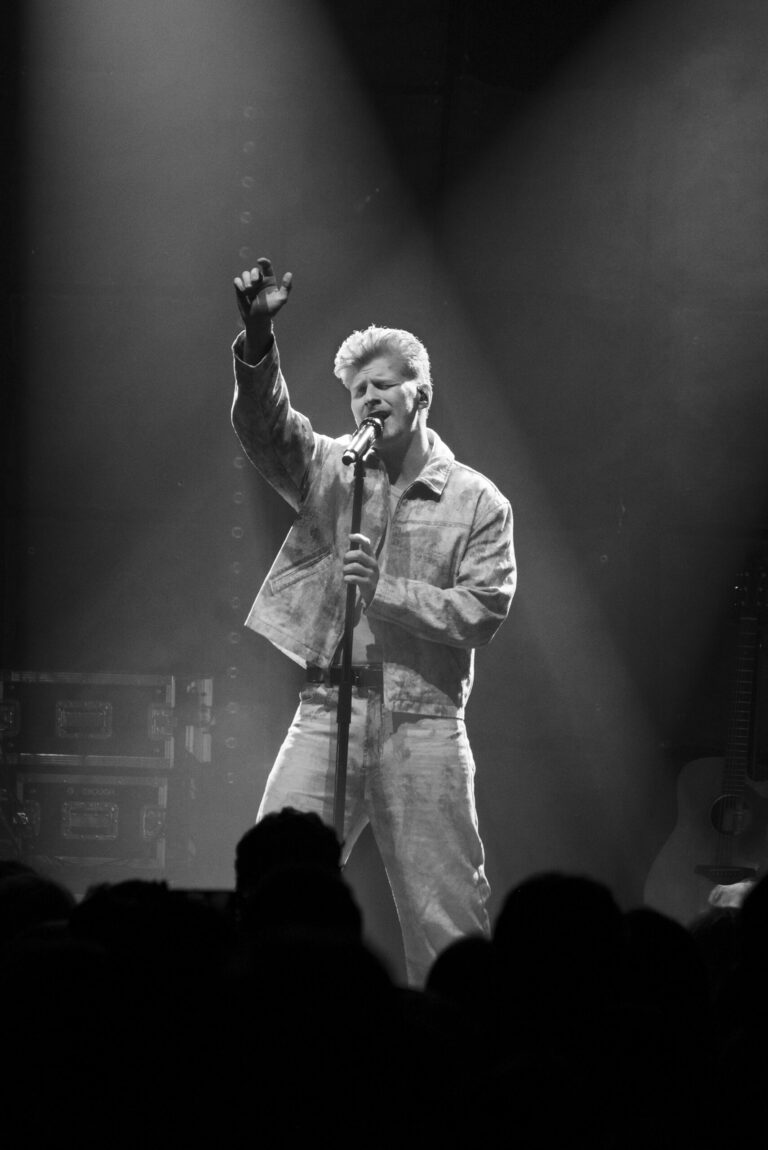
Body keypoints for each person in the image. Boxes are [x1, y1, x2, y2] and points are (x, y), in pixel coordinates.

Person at [230, 257, 516, 985]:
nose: (367, 399)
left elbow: (482, 610)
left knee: (444, 914)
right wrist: (258, 339)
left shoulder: (477, 500)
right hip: (327, 707)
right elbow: (266, 431)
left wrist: (386, 593)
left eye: (382, 385)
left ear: (421, 393)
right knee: (273, 884)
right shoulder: (333, 467)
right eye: (357, 390)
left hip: (423, 721)